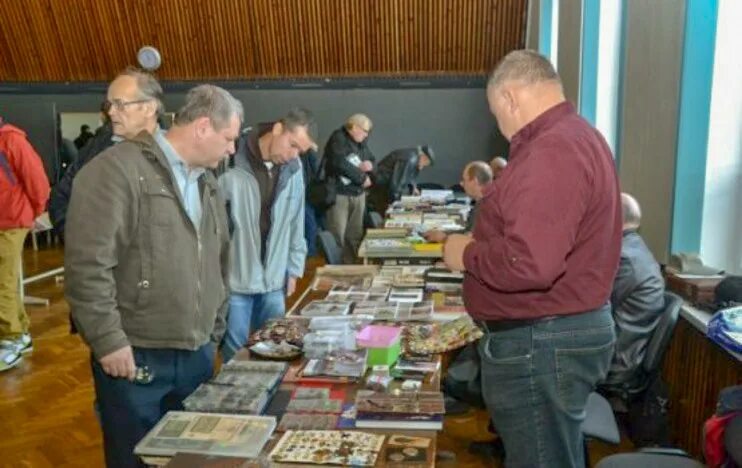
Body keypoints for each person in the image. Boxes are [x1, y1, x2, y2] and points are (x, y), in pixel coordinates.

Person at [443, 49, 621, 467]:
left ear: (509, 97)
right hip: (552, 335)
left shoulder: (552, 150)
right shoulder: (575, 137)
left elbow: (532, 264)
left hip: (540, 342)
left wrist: (467, 254)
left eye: (495, 112)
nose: (499, 126)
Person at [65, 85, 241, 468]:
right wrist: (109, 341)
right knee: (134, 459)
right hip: (136, 356)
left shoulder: (207, 183)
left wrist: (215, 329)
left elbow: (218, 260)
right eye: (228, 139)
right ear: (203, 127)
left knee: (187, 459)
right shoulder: (115, 170)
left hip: (194, 353)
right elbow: (87, 266)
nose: (231, 149)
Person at [219, 108, 314, 363]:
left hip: (275, 279)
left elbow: (297, 222)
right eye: (292, 145)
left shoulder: (293, 170)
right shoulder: (229, 161)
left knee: (275, 349)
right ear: (278, 129)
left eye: (300, 151)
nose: (294, 155)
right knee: (235, 354)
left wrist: (294, 268)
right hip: (236, 279)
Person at [49, 68, 164, 237]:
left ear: (148, 108)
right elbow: (61, 197)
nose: (110, 112)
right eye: (109, 104)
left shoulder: (174, 155)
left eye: (119, 104)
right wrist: (79, 241)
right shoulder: (96, 148)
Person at [600, 193, 665, 399]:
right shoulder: (635, 249)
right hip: (619, 350)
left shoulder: (625, 258)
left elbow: (592, 306)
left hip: (615, 361)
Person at [0, 117, 50, 372]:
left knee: (3, 282)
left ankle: (11, 339)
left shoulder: (11, 140)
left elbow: (36, 179)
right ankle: (20, 333)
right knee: (4, 280)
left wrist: (38, 211)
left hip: (12, 221)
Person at [324, 113, 375, 264]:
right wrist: (362, 178)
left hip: (358, 194)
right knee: (338, 235)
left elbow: (371, 158)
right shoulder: (338, 138)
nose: (366, 135)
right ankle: (338, 269)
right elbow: (338, 162)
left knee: (355, 235)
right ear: (353, 127)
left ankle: (353, 266)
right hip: (341, 194)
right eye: (364, 131)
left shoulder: (361, 143)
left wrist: (370, 165)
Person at [424, 161, 492, 243]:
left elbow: (471, 242)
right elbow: (467, 232)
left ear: (474, 182)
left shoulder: (487, 207)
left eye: (464, 180)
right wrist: (443, 234)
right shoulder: (483, 202)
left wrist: (444, 238)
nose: (461, 184)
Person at [370, 145, 434, 212]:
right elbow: (396, 185)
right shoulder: (410, 159)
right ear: (424, 157)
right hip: (381, 189)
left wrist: (413, 187)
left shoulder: (414, 155)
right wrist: (396, 205)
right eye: (425, 163)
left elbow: (409, 177)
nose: (423, 166)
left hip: (384, 188)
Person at [300, 145, 321, 256]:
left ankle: (310, 256)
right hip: (306, 194)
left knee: (310, 226)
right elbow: (316, 171)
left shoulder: (307, 151)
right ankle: (310, 256)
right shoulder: (308, 151)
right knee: (311, 226)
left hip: (307, 192)